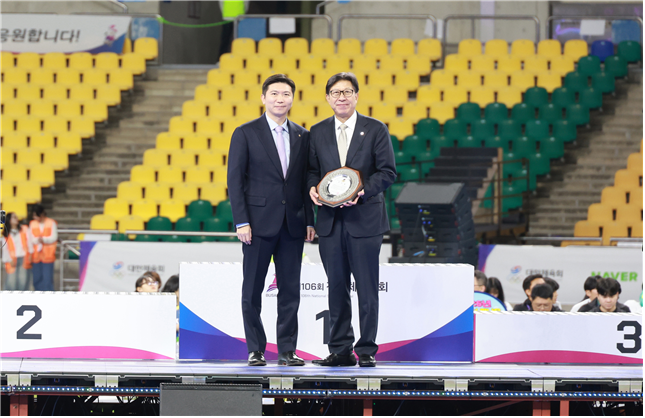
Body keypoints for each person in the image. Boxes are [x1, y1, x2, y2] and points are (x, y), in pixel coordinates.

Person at [308, 72, 397, 367]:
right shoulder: (317, 131)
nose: (342, 97)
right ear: (327, 98)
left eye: (347, 92)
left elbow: (387, 172)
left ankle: (367, 349)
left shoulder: (376, 129)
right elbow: (311, 171)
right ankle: (340, 350)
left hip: (365, 220)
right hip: (330, 222)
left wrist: (362, 191)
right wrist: (312, 188)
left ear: (357, 96)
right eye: (336, 92)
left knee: (367, 289)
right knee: (336, 288)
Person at [227, 74, 315, 367]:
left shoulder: (303, 135)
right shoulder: (245, 132)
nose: (280, 99)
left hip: (293, 224)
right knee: (252, 290)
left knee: (290, 290)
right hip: (256, 224)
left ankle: (287, 350)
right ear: (263, 98)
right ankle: (255, 349)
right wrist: (241, 221)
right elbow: (235, 180)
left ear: (292, 99)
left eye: (286, 94)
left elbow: (304, 182)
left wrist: (309, 220)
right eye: (274, 93)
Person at [2, 212, 33, 291]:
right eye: (14, 217)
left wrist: (30, 253)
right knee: (11, 282)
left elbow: (29, 241)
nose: (16, 219)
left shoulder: (24, 229)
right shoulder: (6, 234)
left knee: (23, 282)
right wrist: (9, 259)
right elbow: (5, 249)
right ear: (9, 220)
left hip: (23, 258)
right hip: (12, 260)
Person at [29, 204, 57, 291]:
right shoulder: (32, 223)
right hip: (36, 256)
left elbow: (54, 237)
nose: (34, 217)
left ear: (41, 214)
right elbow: (30, 238)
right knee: (36, 280)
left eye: (36, 215)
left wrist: (44, 239)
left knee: (47, 280)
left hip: (48, 256)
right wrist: (38, 240)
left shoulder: (51, 222)